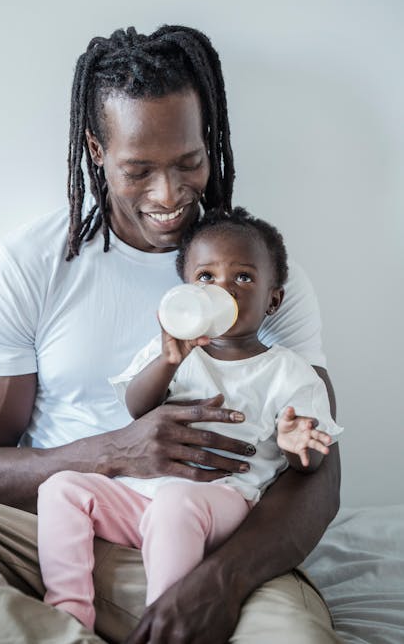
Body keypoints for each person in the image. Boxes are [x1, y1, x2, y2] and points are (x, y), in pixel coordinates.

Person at [0, 25, 341, 644]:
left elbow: (319, 474)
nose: (169, 195)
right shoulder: (28, 265)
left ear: (209, 143)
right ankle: (65, 626)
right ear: (96, 150)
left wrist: (214, 586)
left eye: (189, 162)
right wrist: (117, 450)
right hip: (45, 539)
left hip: (216, 543)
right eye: (139, 169)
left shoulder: (259, 278)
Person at [37, 207, 343, 632]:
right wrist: (167, 362)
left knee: (176, 504)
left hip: (222, 502)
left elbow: (311, 463)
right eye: (206, 278)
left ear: (273, 299)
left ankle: (164, 617)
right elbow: (138, 409)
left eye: (243, 278)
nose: (223, 290)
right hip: (144, 499)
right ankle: (68, 611)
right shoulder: (174, 351)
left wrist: (297, 445)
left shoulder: (289, 372)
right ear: (186, 292)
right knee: (62, 487)